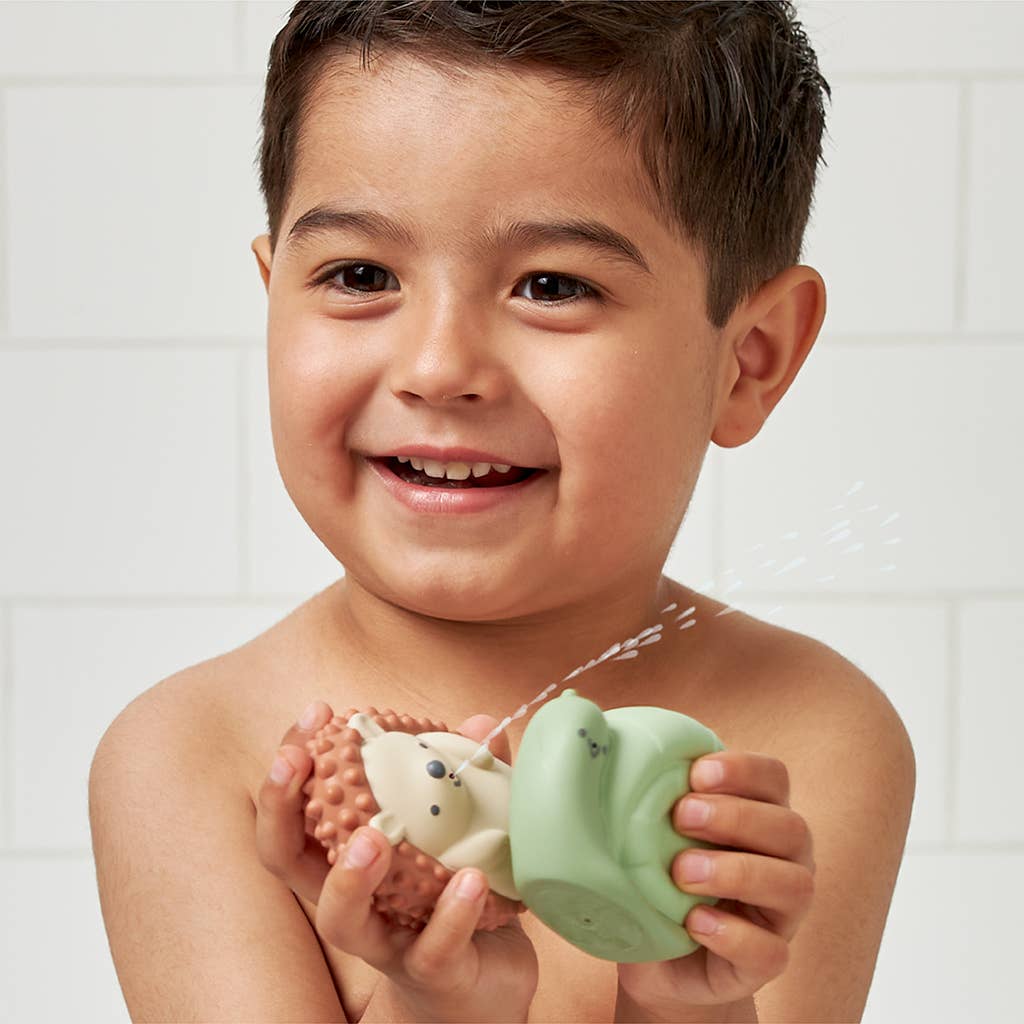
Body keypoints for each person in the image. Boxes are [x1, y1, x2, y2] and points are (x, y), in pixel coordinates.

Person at [88, 2, 916, 1021]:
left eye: (553, 285)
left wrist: (690, 1002)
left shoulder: (803, 738)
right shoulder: (196, 757)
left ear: (746, 361)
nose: (438, 367)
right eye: (358, 275)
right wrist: (438, 1007)